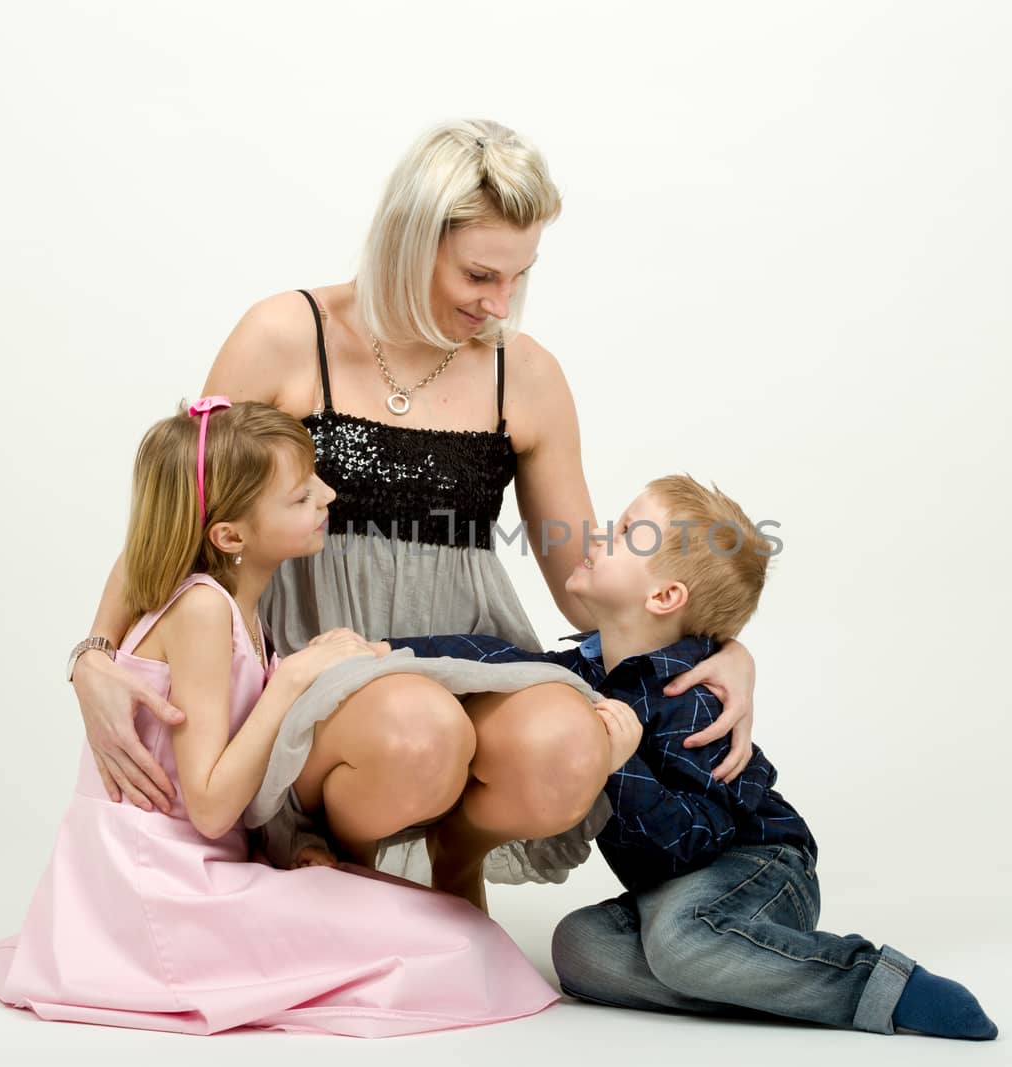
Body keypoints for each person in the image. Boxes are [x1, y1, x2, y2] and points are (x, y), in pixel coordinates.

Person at [67, 119, 764, 905]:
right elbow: (181, 510)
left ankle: (453, 860)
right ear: (408, 240)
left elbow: (587, 579)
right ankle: (332, 858)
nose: (500, 303)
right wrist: (93, 652)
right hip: (322, 665)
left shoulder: (525, 377)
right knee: (417, 725)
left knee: (571, 740)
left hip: (475, 662)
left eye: (519, 276)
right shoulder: (286, 336)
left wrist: (718, 643)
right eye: (478, 275)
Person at [0, 399, 559, 1036]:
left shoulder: (239, 611)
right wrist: (297, 679)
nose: (330, 494)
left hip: (200, 872)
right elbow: (208, 806)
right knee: (457, 946)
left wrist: (298, 842)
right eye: (301, 495)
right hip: (160, 894)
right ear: (231, 536)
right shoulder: (200, 611)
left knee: (457, 935)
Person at [386, 475, 999, 1040]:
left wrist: (617, 762)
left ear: (664, 595)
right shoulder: (581, 672)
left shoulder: (693, 699)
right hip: (669, 894)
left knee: (680, 943)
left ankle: (877, 985)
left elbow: (694, 844)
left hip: (755, 865)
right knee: (578, 949)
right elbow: (494, 658)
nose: (598, 534)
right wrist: (384, 650)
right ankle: (754, 973)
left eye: (626, 532)